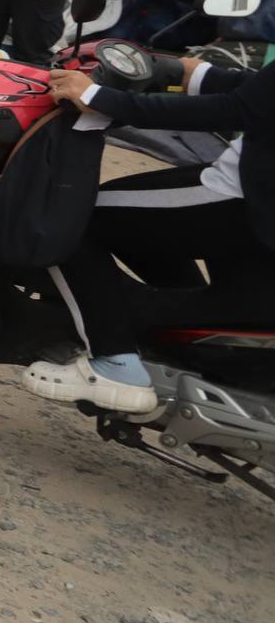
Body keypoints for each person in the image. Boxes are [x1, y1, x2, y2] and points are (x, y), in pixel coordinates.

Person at [36, 50, 275, 411]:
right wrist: (196, 74)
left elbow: (232, 110)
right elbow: (262, 94)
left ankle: (114, 365)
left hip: (247, 197)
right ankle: (173, 346)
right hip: (255, 194)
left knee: (74, 217)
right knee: (136, 217)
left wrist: (99, 98)